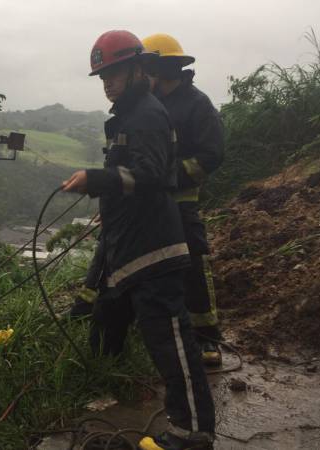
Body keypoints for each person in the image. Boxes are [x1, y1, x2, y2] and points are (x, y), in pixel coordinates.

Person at [62, 30, 215, 450]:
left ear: (137, 69)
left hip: (154, 249)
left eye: (113, 73)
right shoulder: (130, 115)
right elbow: (133, 178)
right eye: (102, 76)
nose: (106, 83)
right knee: (145, 334)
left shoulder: (146, 114)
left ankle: (192, 434)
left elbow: (152, 174)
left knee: (173, 345)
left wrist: (96, 179)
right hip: (133, 247)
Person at [142, 33, 225, 366]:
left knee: (192, 267)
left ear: (161, 68)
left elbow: (212, 154)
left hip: (181, 202)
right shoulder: (150, 103)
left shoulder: (196, 104)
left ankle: (207, 338)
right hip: (148, 203)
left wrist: (171, 177)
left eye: (146, 66)